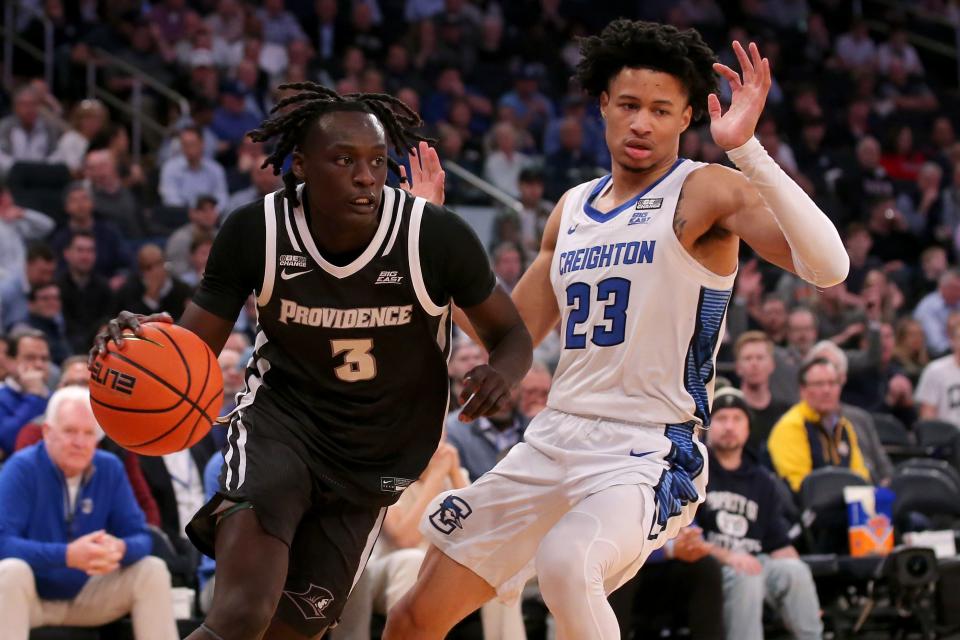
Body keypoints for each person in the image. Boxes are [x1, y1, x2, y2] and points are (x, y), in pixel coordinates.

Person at [386, 20, 848, 640]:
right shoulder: (572, 209)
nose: (641, 123)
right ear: (602, 103)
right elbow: (511, 333)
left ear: (687, 116)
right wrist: (432, 241)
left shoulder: (705, 189)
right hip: (554, 435)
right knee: (413, 617)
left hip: (649, 446)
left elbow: (828, 267)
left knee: (567, 563)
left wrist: (746, 149)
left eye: (661, 110)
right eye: (629, 104)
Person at [91, 83, 532, 640]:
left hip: (376, 457)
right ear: (299, 164)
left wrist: (503, 373)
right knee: (242, 612)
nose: (366, 175)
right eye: (344, 159)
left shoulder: (433, 235)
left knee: (288, 634)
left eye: (377, 161)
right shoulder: (257, 231)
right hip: (282, 428)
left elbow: (511, 332)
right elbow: (192, 347)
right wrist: (138, 350)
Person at [0, 386, 177, 639]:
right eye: (70, 431)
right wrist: (69, 555)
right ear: (47, 432)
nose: (80, 442)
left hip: (87, 595)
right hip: (29, 600)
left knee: (152, 570)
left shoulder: (110, 468)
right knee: (10, 572)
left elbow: (142, 536)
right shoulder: (21, 468)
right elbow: (3, 545)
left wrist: (118, 549)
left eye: (88, 433)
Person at [701, 389, 823, 640]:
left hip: (756, 561)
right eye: (722, 418)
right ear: (708, 427)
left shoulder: (763, 480)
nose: (729, 426)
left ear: (748, 428)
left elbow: (778, 543)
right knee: (747, 576)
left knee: (795, 570)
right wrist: (729, 556)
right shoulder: (698, 471)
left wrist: (806, 593)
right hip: (713, 564)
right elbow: (687, 537)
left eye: (737, 419)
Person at [768, 358, 871, 493]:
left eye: (832, 383)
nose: (827, 390)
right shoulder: (791, 426)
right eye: (819, 384)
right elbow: (799, 486)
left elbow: (861, 477)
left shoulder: (844, 426)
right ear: (803, 390)